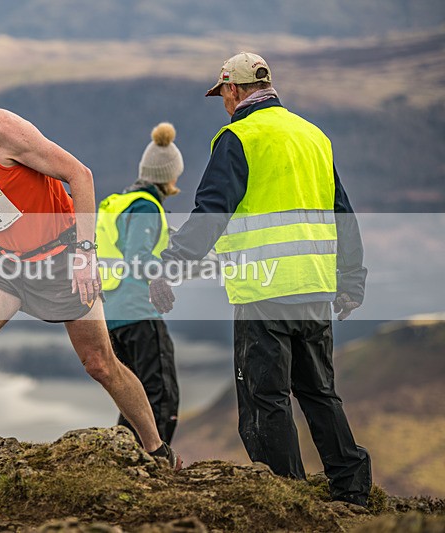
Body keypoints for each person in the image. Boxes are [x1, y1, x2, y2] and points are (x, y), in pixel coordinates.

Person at [0, 61, 180, 471]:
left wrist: (85, 253)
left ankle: (156, 450)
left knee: (101, 364)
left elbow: (79, 175)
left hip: (61, 257)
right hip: (6, 261)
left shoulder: (0, 130)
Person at [149, 52, 371, 505]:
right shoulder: (314, 136)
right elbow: (342, 214)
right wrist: (351, 281)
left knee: (264, 398)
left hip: (264, 291)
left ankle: (286, 498)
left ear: (233, 90)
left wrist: (169, 265)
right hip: (313, 285)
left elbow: (212, 213)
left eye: (223, 95)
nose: (223, 104)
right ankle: (353, 491)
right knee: (320, 393)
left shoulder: (238, 137)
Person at [96, 122, 183, 445]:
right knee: (160, 396)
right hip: (138, 312)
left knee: (132, 396)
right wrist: (158, 277)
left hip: (112, 315)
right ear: (170, 175)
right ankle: (154, 465)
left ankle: (126, 461)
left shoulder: (121, 204)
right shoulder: (146, 207)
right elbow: (137, 254)